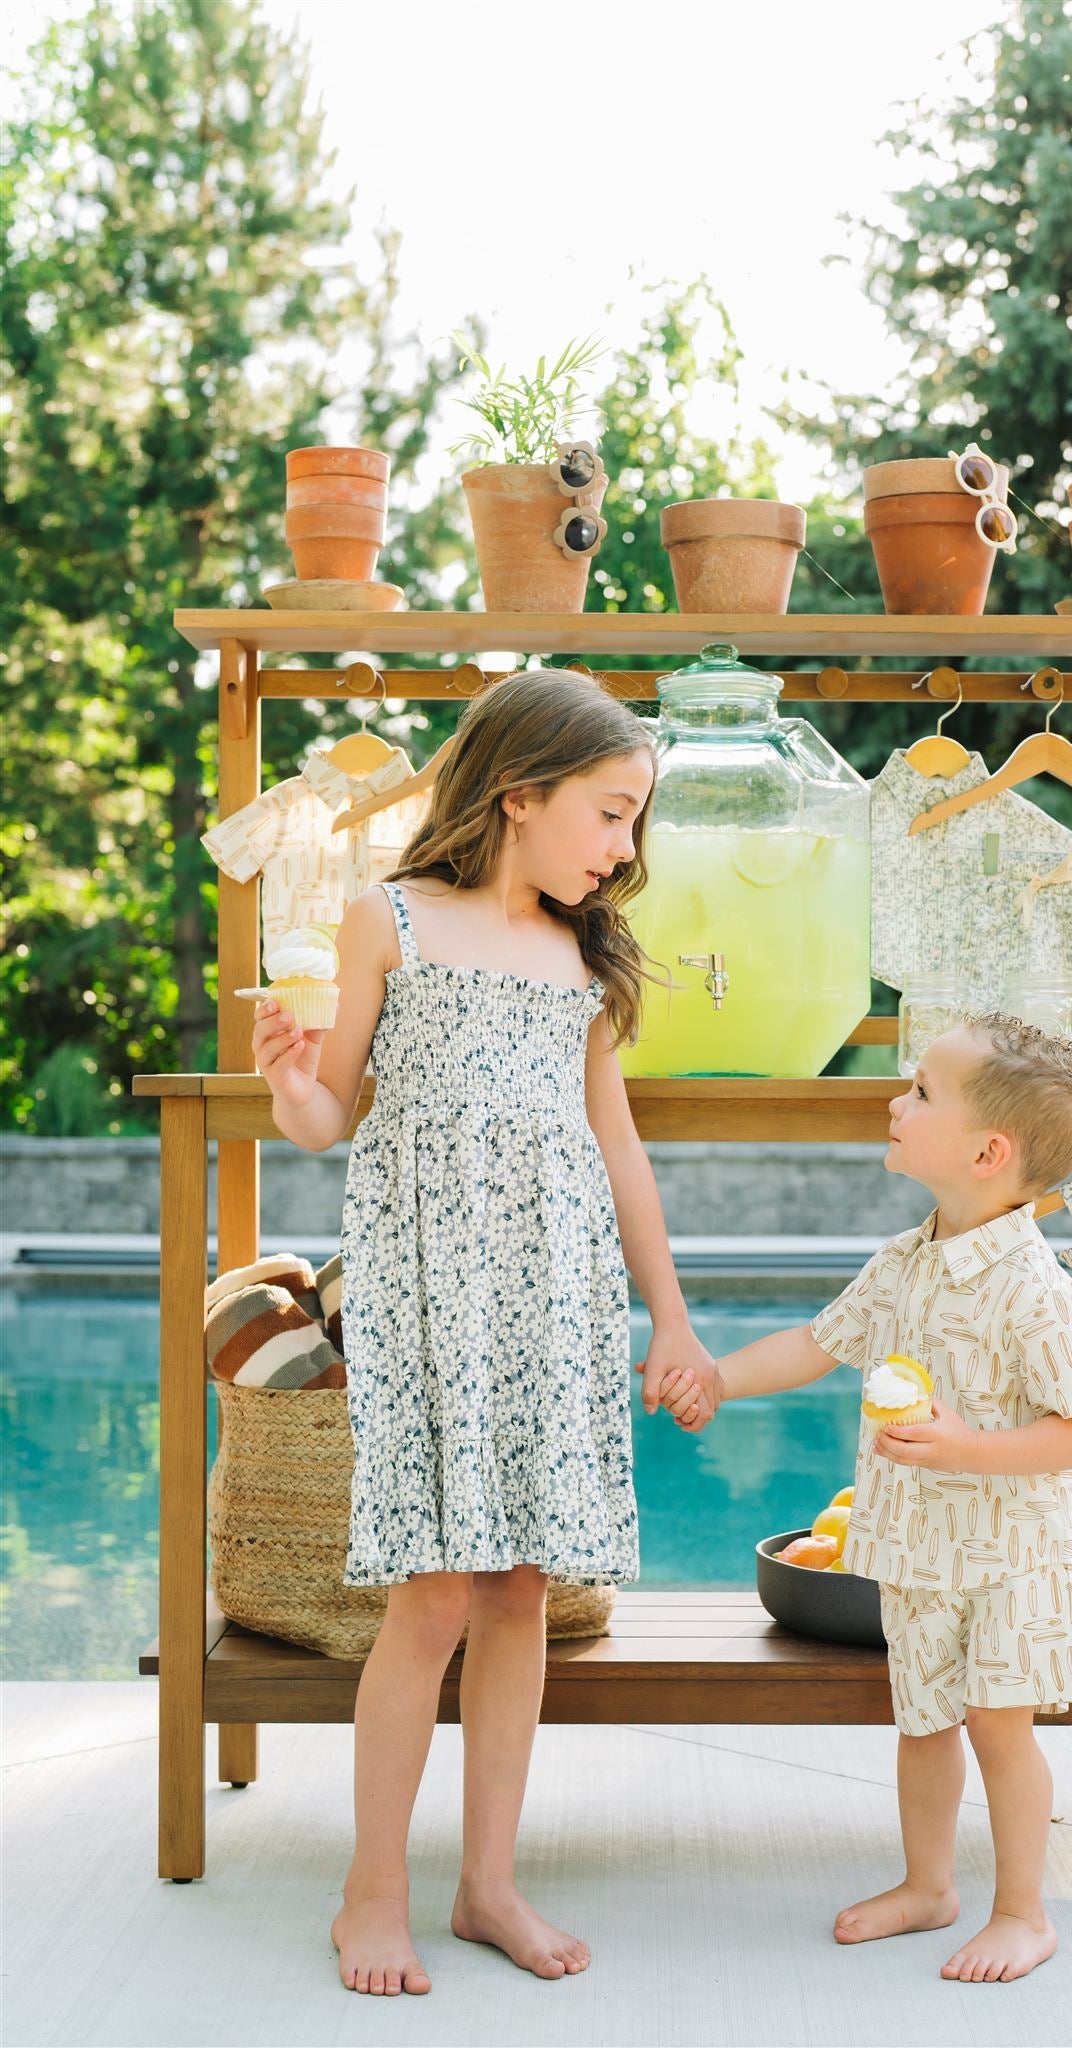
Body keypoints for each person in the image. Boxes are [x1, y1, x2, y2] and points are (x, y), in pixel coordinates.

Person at [252, 669, 717, 1997]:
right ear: (521, 793)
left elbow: (616, 1148)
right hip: (425, 1295)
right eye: (613, 813)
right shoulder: (387, 919)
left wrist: (669, 1316)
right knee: (436, 1591)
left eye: (635, 823)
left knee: (519, 1588)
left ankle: (487, 1883)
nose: (625, 848)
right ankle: (372, 1891)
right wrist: (290, 1081)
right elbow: (328, 1115)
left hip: (556, 1299)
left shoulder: (581, 954)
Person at [662, 1016, 1072, 1984]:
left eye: (920, 1092)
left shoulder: (1037, 1289)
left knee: (999, 1723)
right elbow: (818, 1342)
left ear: (987, 1151)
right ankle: (927, 1884)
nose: (894, 1102)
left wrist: (966, 1445)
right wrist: (718, 1378)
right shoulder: (905, 1258)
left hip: (1011, 1556)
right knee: (924, 1720)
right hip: (916, 1550)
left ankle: (1025, 1911)